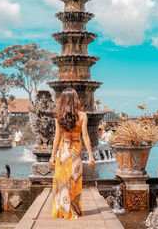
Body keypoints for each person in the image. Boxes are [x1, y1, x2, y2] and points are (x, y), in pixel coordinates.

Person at [49, 88, 95, 220]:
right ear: (75, 99)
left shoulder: (58, 116)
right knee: (74, 181)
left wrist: (52, 156)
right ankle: (74, 209)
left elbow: (57, 137)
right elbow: (85, 136)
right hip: (75, 151)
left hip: (63, 151)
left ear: (63, 101)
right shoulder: (82, 116)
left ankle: (62, 210)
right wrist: (91, 156)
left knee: (61, 181)